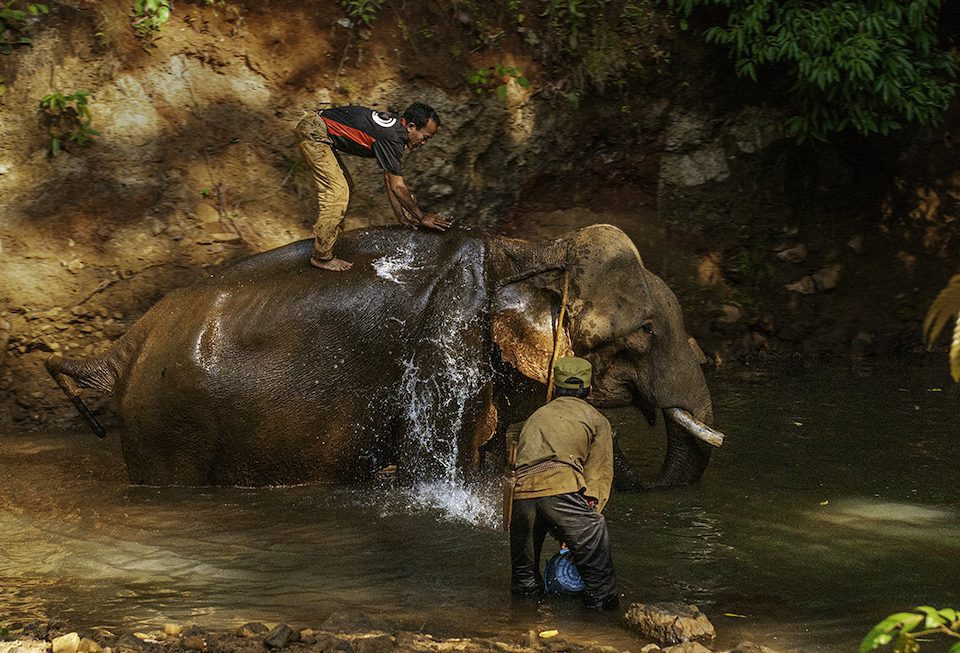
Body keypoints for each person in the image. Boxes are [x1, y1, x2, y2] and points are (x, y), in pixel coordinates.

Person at [508, 356, 619, 610]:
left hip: (520, 494)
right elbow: (597, 481)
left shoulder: (536, 416)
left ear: (556, 388)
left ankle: (519, 624)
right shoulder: (596, 419)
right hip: (560, 487)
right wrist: (582, 522)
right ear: (589, 389)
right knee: (596, 530)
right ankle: (602, 623)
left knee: (524, 581)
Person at [295, 102, 452, 272]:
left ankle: (327, 236)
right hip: (315, 130)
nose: (425, 143)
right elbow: (398, 187)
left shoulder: (397, 131)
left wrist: (401, 217)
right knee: (338, 192)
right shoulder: (392, 139)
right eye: (425, 137)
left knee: (346, 186)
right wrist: (422, 217)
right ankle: (321, 256)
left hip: (318, 126)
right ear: (412, 127)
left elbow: (389, 179)